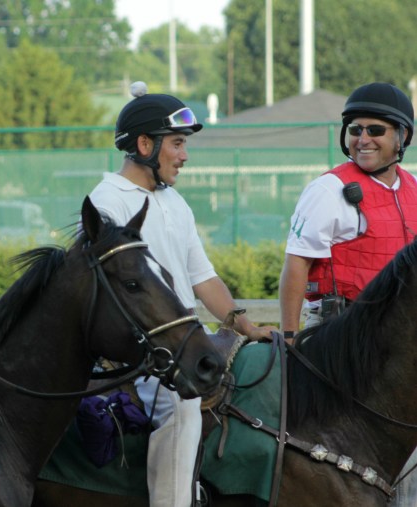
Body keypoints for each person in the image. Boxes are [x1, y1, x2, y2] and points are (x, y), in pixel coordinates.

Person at [88, 81, 275, 507]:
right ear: (144, 145)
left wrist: (246, 327)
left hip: (184, 343)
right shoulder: (106, 202)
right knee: (182, 405)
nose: (185, 155)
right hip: (140, 352)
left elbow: (203, 278)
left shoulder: (176, 203)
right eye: (176, 143)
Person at [279, 82, 417, 505]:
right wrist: (289, 339)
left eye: (375, 130)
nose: (363, 139)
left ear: (402, 137)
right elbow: (296, 266)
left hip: (398, 348)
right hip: (339, 342)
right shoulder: (327, 191)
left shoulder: (414, 189)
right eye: (355, 129)